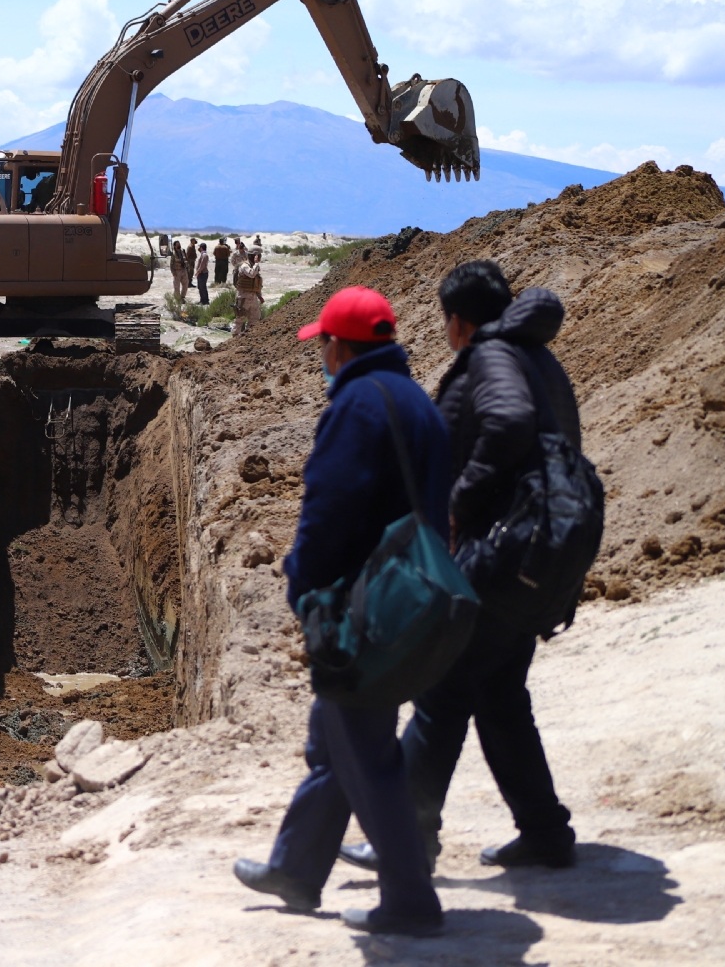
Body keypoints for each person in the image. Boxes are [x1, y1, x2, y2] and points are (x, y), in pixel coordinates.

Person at [339, 261, 579, 875]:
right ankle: (545, 833)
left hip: (500, 558)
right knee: (499, 697)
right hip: (531, 560)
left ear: (458, 320)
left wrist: (458, 502)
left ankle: (405, 839)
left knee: (442, 692)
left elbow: (506, 424)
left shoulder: (493, 358)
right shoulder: (537, 360)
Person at [233, 286, 450, 938]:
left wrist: (303, 586)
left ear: (338, 344)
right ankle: (296, 869)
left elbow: (328, 511)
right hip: (407, 594)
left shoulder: (357, 407)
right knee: (334, 741)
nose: (320, 354)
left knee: (367, 754)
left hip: (363, 605)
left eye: (321, 343)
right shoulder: (415, 399)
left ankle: (411, 901)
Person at [232, 250, 264, 334]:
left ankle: (248, 336)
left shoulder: (254, 266)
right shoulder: (244, 266)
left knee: (255, 318)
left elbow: (256, 283)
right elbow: (252, 274)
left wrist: (259, 296)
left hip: (253, 297)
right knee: (240, 319)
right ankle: (234, 338)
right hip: (243, 297)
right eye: (258, 257)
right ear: (253, 256)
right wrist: (256, 263)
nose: (259, 259)